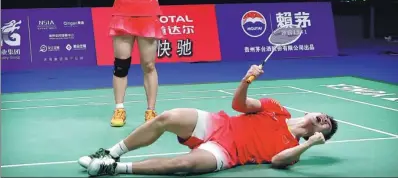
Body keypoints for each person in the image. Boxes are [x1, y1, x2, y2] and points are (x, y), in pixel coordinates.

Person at [78, 65, 338, 176]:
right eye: (326, 116)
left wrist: (309, 144)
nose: (325, 118)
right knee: (167, 117)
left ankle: (113, 168)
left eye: (327, 125)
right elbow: (238, 105)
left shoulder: (294, 151)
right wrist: (247, 79)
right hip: (220, 124)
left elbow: (278, 161)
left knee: (183, 164)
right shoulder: (277, 109)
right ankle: (111, 153)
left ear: (319, 134)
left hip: (226, 153)